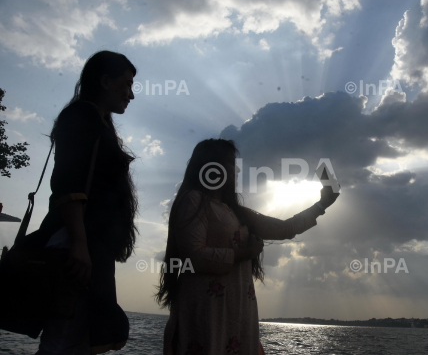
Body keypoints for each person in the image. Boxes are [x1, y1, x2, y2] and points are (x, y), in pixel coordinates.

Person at [157, 138, 340, 355]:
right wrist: (246, 253)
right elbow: (194, 256)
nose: (235, 169)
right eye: (229, 162)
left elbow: (284, 228)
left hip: (237, 310)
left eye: (234, 163)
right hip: (207, 311)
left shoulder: (235, 211)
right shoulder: (193, 201)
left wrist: (322, 204)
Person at [34, 50, 138, 354]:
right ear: (104, 81)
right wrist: (79, 243)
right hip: (75, 246)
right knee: (64, 340)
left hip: (88, 246)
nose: (131, 94)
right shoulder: (82, 116)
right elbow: (68, 182)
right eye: (126, 84)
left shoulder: (97, 121)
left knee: (76, 340)